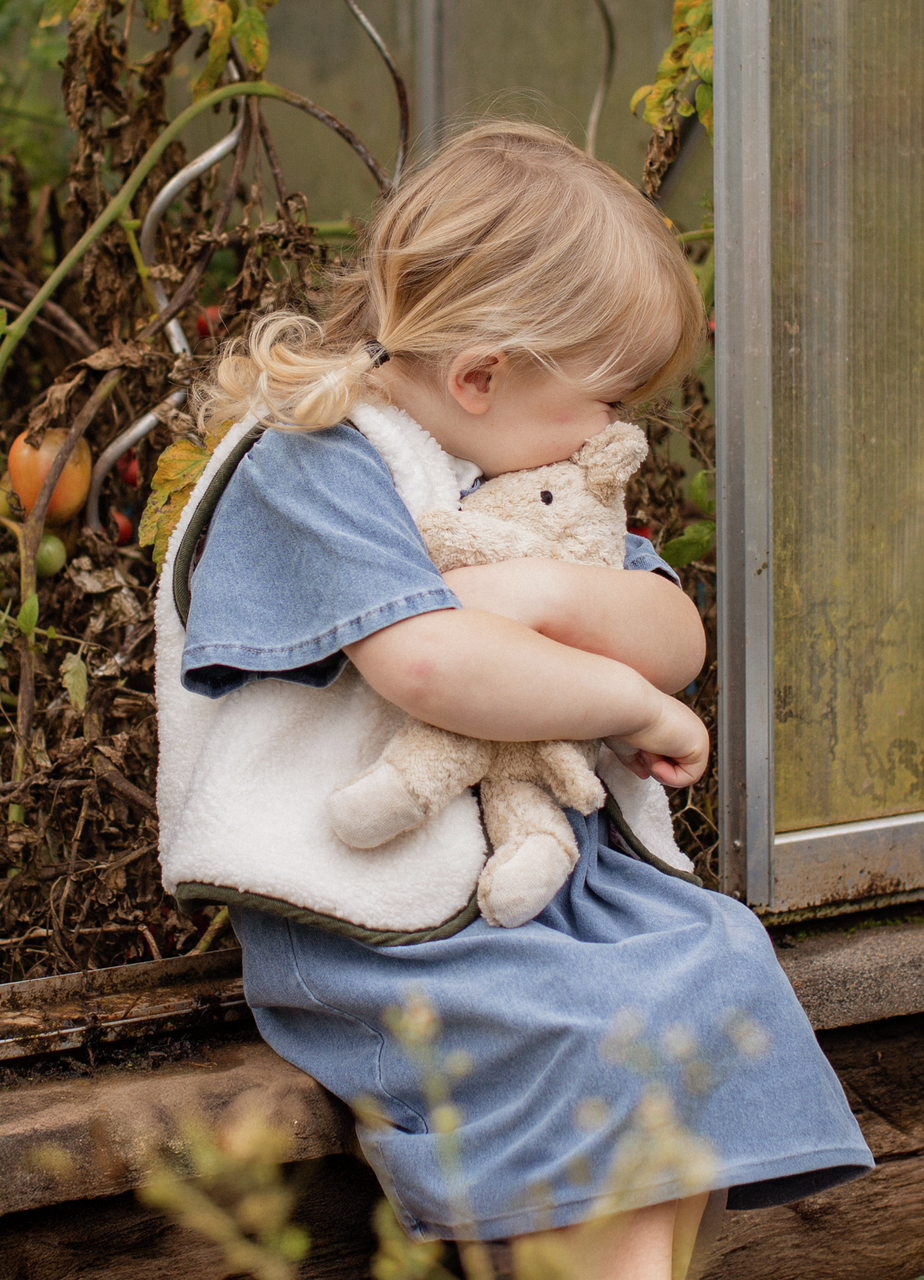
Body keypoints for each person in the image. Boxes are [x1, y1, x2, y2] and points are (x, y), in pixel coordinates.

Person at [156, 123, 873, 1279]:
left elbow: (676, 631)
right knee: (582, 1032)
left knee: (717, 955)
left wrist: (547, 585)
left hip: (545, 900)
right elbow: (431, 665)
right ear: (483, 373)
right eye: (604, 396)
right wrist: (622, 703)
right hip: (378, 921)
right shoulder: (316, 462)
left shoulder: (523, 475)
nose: (613, 432)